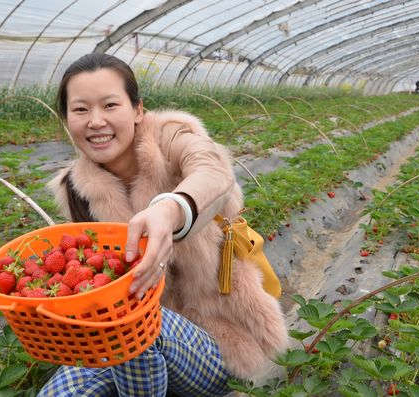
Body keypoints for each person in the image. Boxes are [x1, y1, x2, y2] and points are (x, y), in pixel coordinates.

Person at [39, 53, 288, 396]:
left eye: (110, 105)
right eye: (80, 110)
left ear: (138, 109)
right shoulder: (76, 189)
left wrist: (171, 209)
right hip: (129, 350)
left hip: (220, 343)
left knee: (130, 327)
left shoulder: (172, 138)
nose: (96, 121)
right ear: (67, 119)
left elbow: (212, 170)